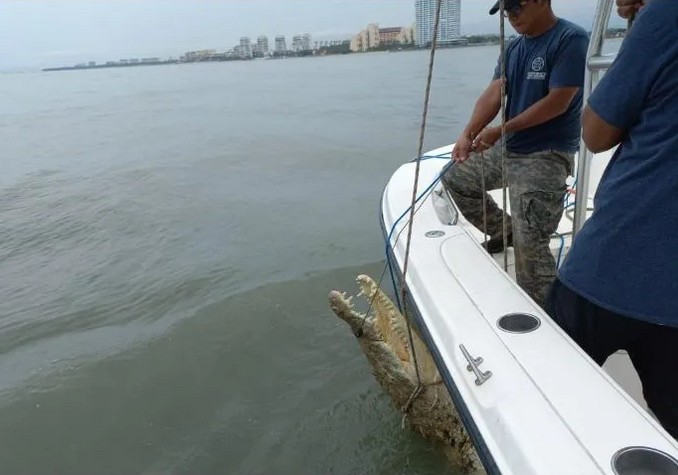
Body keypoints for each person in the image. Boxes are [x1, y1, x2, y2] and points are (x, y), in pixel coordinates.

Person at [546, 0, 678, 440]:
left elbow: (596, 133)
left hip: (619, 263)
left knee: (546, 392)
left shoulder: (664, 15)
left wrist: (643, 24)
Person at [442, 0, 589, 308]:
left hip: (545, 154)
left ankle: (551, 320)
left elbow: (558, 101)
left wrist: (502, 129)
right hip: (510, 147)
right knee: (455, 181)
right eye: (506, 11)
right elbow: (494, 93)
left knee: (531, 252)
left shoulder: (570, 39)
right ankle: (506, 230)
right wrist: (467, 133)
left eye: (516, 7)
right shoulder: (513, 48)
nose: (510, 16)